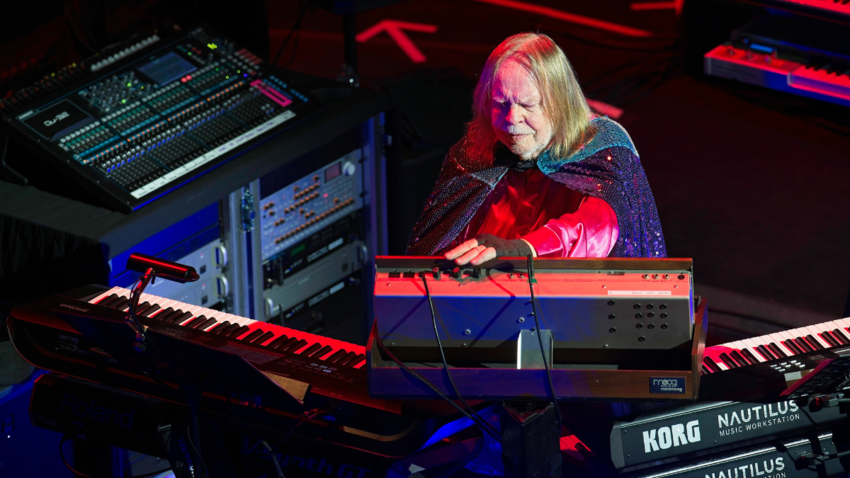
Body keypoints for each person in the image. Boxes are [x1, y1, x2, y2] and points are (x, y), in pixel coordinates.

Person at [406, 32, 666, 263]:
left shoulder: (603, 145)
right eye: (500, 103)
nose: (511, 120)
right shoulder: (475, 150)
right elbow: (440, 242)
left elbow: (598, 225)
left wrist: (523, 250)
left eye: (528, 105)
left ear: (559, 103)